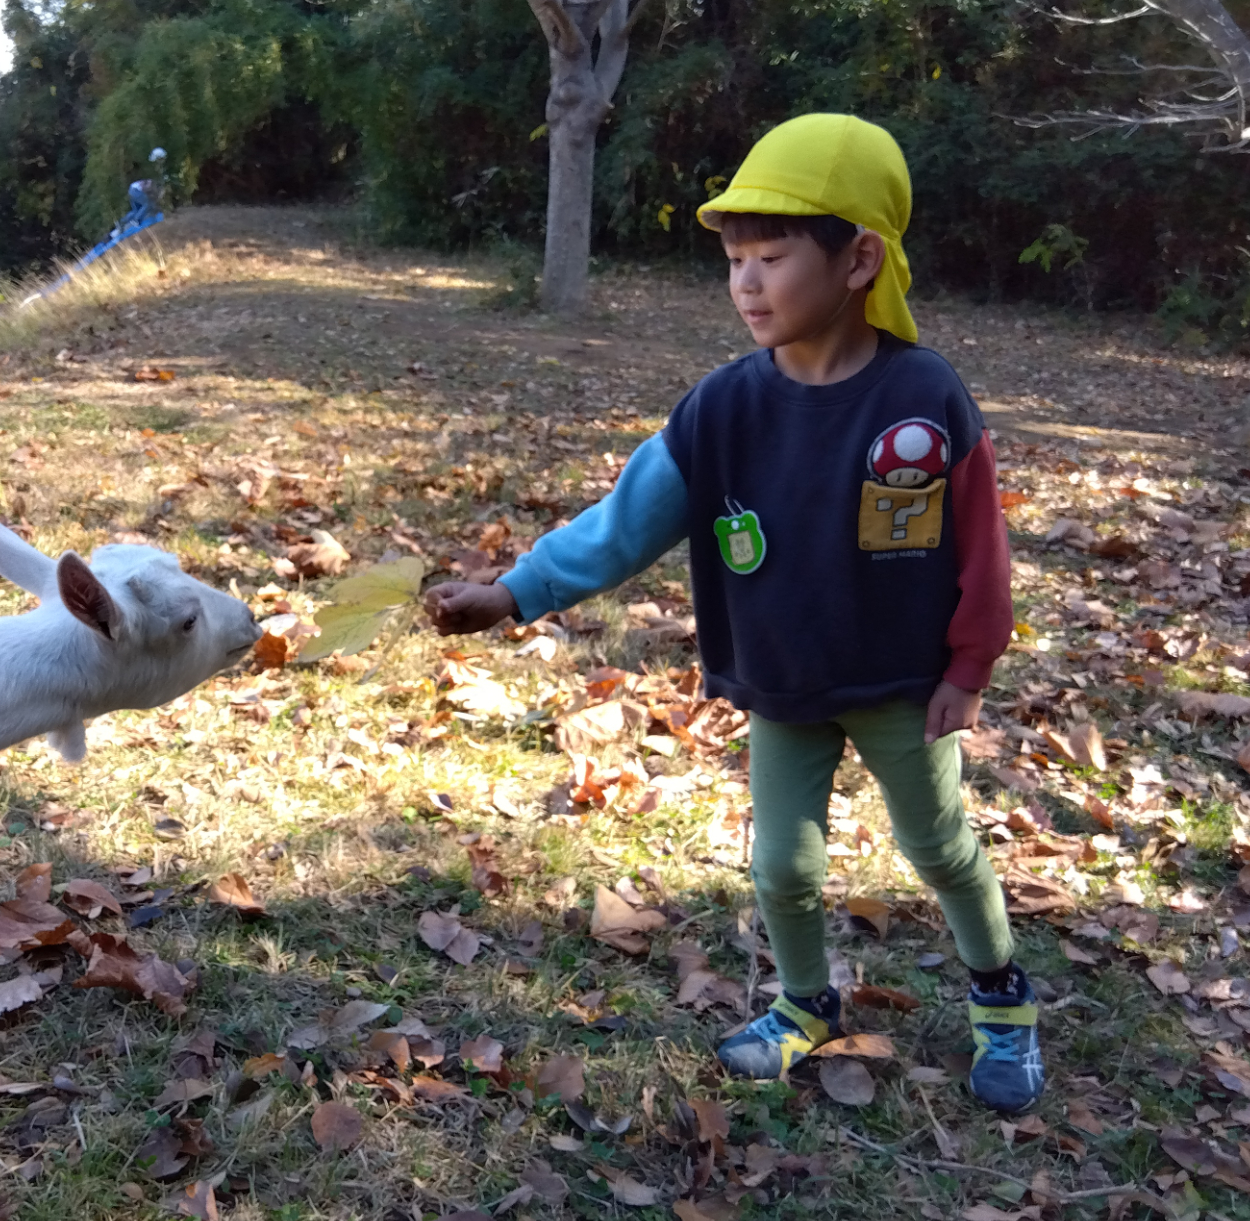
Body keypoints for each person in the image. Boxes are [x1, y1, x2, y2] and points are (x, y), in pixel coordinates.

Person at [424, 113, 1040, 1113]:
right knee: (780, 867)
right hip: (783, 682)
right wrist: (510, 592)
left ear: (857, 261)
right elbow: (622, 525)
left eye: (772, 256)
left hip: (900, 682)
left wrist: (967, 667)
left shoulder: (922, 399)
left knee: (937, 847)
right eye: (734, 259)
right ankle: (802, 1005)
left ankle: (1000, 998)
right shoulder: (718, 409)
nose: (744, 282)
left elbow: (979, 545)